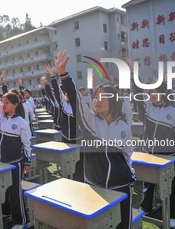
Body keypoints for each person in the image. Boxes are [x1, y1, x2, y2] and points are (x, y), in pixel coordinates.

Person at [54, 50, 134, 229]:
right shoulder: (89, 121)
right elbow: (76, 101)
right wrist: (64, 74)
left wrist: (131, 181)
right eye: (95, 97)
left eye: (102, 97)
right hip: (94, 185)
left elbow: (128, 156)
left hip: (121, 185)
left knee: (123, 224)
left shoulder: (123, 128)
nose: (96, 101)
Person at [126, 58, 175, 228]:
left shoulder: (173, 112)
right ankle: (146, 207)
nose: (151, 94)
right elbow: (137, 90)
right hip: (149, 152)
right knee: (148, 182)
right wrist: (134, 73)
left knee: (171, 186)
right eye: (150, 92)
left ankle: (173, 215)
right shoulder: (148, 106)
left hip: (168, 156)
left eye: (154, 91)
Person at [0, 67, 31, 229]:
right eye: (3, 102)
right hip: (1, 161)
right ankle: (5, 211)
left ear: (15, 105)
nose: (3, 104)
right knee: (2, 189)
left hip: (15, 163)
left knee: (15, 193)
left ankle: (21, 220)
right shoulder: (1, 118)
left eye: (7, 102)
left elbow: (26, 144)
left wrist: (27, 163)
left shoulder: (22, 123)